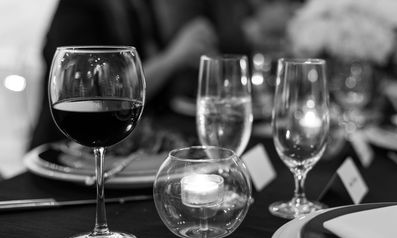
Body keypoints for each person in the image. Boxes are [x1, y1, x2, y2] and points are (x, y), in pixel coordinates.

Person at [29, 0, 254, 149]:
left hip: (124, 147)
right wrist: (174, 56)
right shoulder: (78, 8)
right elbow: (94, 95)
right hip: (65, 148)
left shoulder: (138, 6)